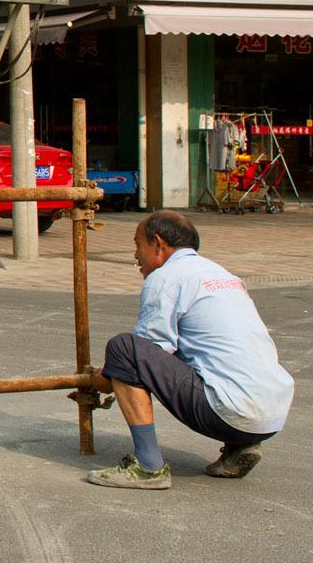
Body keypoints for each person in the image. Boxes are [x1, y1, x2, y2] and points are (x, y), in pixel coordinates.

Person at [87, 210, 294, 491]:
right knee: (216, 357)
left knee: (124, 348)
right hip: (272, 415)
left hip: (229, 411)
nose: (135, 255)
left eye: (137, 245)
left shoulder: (166, 278)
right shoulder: (221, 274)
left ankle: (148, 467)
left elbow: (144, 355)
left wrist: (99, 380)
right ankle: (241, 446)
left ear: (158, 244)